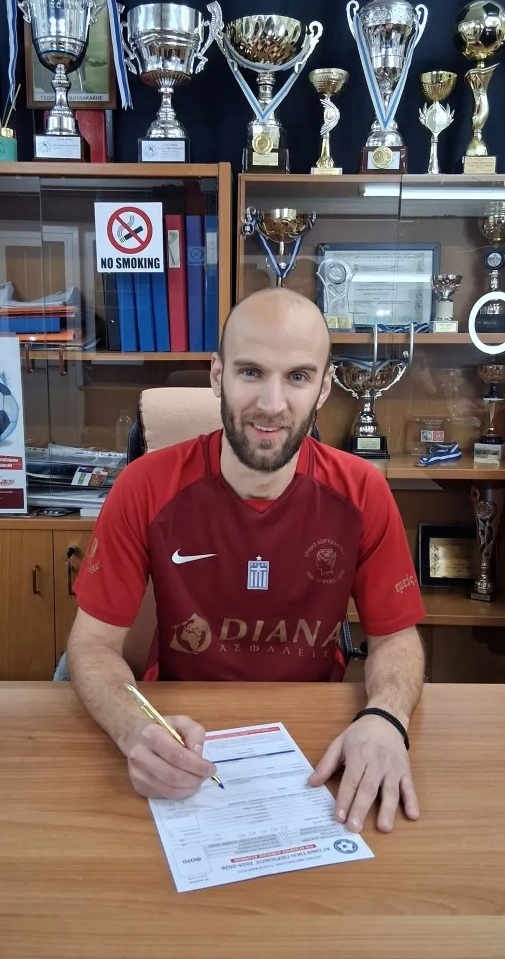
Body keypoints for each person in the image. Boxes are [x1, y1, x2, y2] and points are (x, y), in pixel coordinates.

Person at [68, 287, 426, 834]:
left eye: (298, 377)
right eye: (251, 372)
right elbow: (92, 644)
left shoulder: (362, 492)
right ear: (217, 376)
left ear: (324, 388)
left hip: (315, 733)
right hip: (182, 729)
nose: (272, 404)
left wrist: (386, 717)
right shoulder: (143, 487)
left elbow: (396, 638)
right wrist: (132, 727)